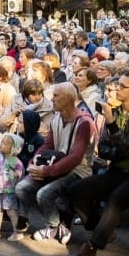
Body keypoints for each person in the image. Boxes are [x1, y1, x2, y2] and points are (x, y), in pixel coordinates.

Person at [66, 72, 129, 256]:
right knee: (77, 190)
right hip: (117, 171)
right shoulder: (113, 112)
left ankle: (90, 248)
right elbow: (105, 150)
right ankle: (101, 228)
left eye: (122, 87)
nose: (117, 89)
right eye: (117, 86)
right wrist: (124, 151)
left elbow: (125, 147)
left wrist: (113, 128)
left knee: (116, 199)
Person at [17, 82, 95, 244]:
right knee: (21, 188)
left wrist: (46, 172)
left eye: (56, 96)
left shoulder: (84, 123)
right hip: (55, 166)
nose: (51, 99)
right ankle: (58, 221)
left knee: (43, 194)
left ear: (69, 98)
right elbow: (47, 145)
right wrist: (34, 164)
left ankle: (52, 226)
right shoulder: (57, 118)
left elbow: (75, 157)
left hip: (77, 172)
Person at [0, 132, 25, 241]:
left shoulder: (16, 162)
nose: (1, 145)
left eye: (5, 143)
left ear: (14, 148)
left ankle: (17, 231)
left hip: (10, 191)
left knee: (11, 211)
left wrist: (15, 186)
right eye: (1, 142)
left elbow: (20, 176)